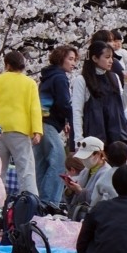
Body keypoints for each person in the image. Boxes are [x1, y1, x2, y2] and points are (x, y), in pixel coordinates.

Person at [0, 49, 42, 193]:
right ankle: (29, 201)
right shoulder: (30, 83)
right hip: (19, 129)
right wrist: (37, 131)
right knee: (25, 168)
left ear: (7, 65)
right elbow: (35, 108)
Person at [37, 44, 79, 207]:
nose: (73, 63)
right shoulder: (60, 77)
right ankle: (49, 202)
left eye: (74, 60)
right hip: (49, 124)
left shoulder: (47, 76)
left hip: (39, 124)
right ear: (61, 58)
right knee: (59, 162)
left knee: (42, 163)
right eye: (70, 59)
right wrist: (72, 118)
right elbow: (63, 103)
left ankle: (38, 200)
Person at [81, 40, 127, 149]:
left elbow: (122, 106)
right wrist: (78, 140)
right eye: (107, 57)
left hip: (115, 134)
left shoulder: (114, 77)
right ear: (95, 58)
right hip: (95, 134)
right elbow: (77, 111)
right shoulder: (83, 80)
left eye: (112, 57)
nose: (111, 61)